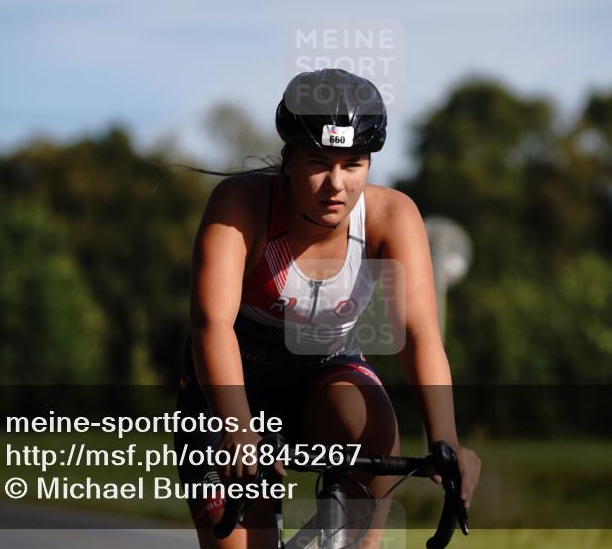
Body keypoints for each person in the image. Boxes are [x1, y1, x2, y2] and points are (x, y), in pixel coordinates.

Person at [174, 68, 480, 548]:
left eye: (353, 163)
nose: (335, 184)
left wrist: (445, 440)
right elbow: (211, 323)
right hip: (231, 387)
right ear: (288, 160)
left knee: (371, 417)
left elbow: (419, 333)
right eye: (319, 161)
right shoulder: (241, 204)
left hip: (325, 375)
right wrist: (236, 427)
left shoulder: (391, 217)